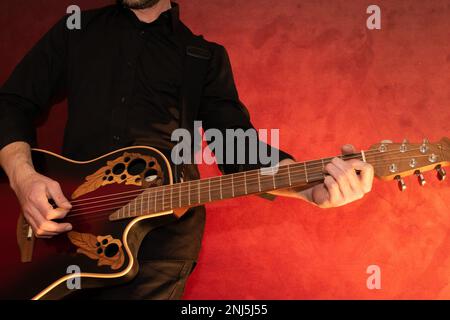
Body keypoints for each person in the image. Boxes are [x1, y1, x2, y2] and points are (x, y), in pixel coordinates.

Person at [0, 0, 374, 299]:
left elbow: (238, 149)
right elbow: (12, 103)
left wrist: (309, 189)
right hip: (65, 232)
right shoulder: (75, 29)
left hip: (158, 246)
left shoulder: (203, 56)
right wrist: (24, 179)